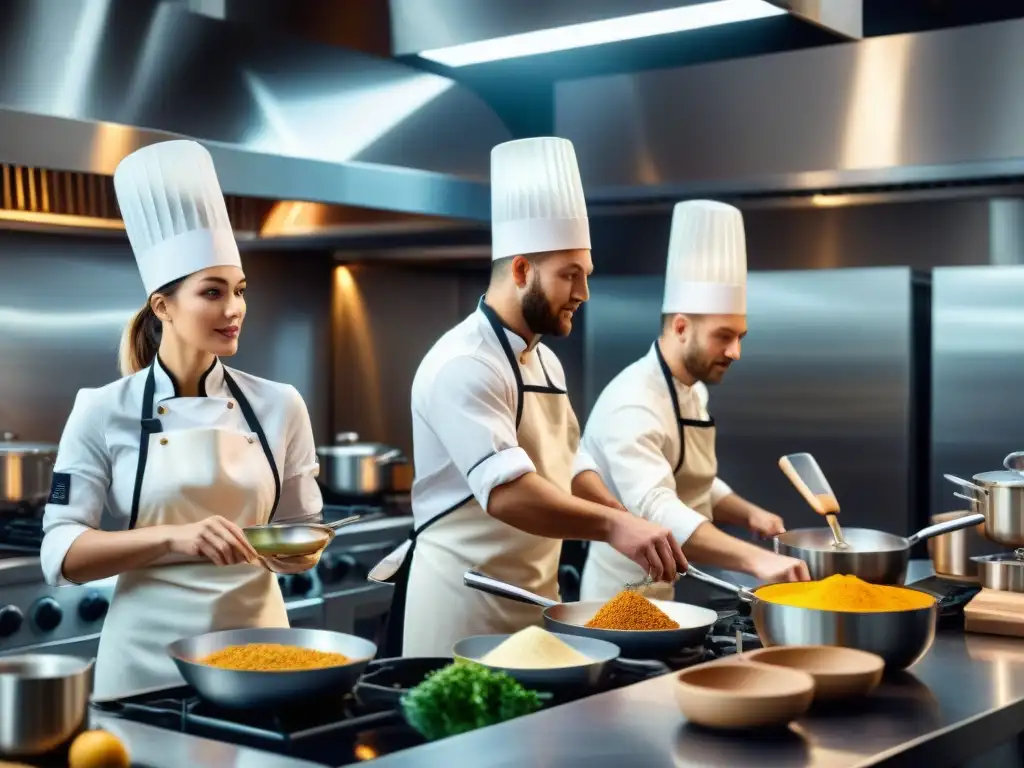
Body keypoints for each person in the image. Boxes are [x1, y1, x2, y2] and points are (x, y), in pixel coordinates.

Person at [373, 137, 687, 657]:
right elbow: (508, 493)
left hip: (532, 606)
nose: (583, 293)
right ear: (521, 271)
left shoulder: (544, 359)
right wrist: (613, 525)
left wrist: (621, 513)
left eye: (585, 275)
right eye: (571, 275)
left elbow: (567, 460)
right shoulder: (464, 363)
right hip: (460, 610)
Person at [39, 140, 323, 699]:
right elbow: (61, 554)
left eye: (239, 291)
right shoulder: (102, 409)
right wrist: (177, 537)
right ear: (162, 306)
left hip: (258, 655)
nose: (234, 309)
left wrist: (302, 550)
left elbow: (304, 531)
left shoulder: (280, 404)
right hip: (145, 661)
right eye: (212, 293)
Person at [579, 200, 810, 607]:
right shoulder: (632, 404)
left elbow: (689, 478)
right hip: (617, 601)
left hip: (665, 589)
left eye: (741, 336)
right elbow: (657, 508)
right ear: (681, 327)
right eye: (724, 336)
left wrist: (748, 514)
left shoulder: (692, 390)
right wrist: (756, 561)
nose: (735, 351)